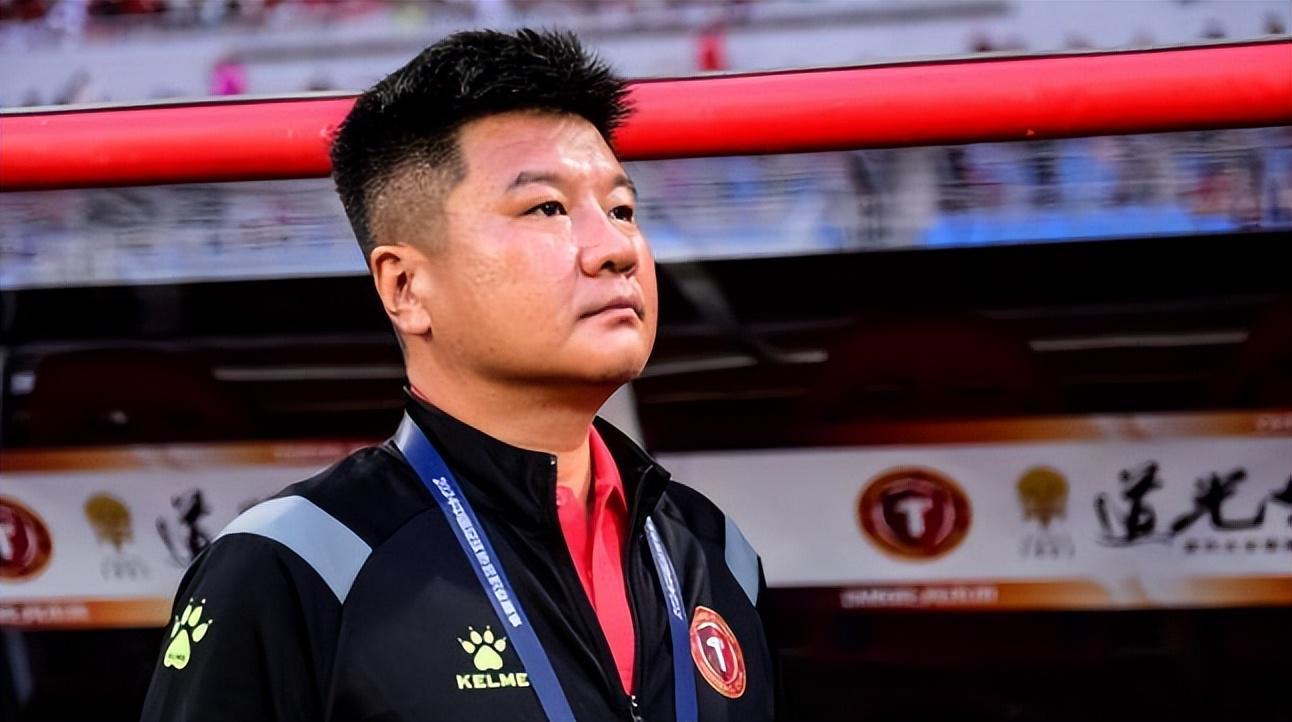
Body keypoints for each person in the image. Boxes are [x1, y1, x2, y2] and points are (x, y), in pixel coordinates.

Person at [140, 28, 774, 722]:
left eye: (622, 209)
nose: (615, 248)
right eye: (547, 208)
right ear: (406, 286)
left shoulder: (715, 550)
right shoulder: (291, 565)